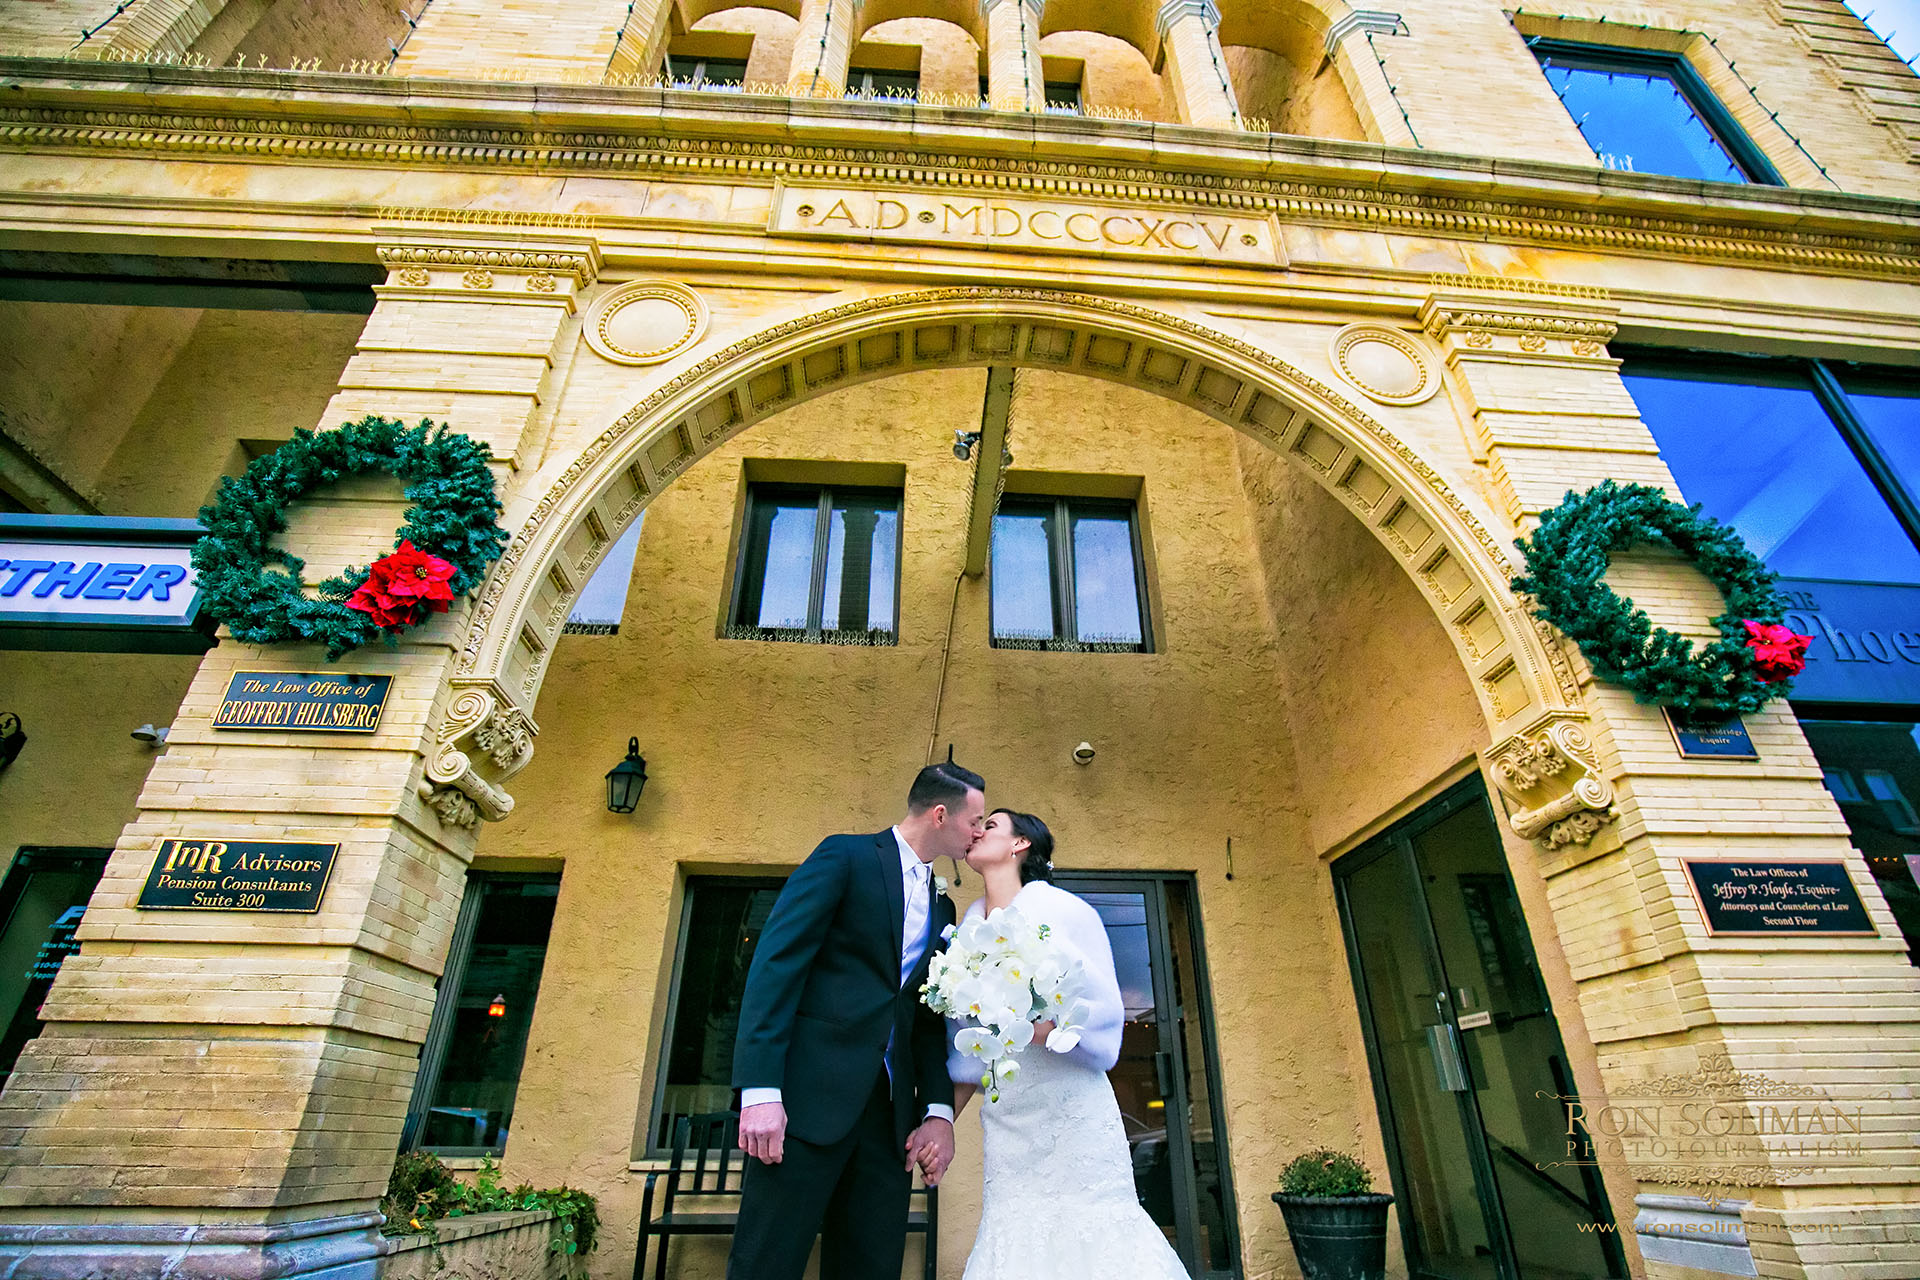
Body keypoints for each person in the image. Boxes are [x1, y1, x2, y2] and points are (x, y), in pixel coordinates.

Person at [727, 762, 987, 1280]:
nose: (978, 831)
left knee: (871, 1266)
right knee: (767, 1262)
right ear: (941, 814)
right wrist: (759, 1090)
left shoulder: (944, 908)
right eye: (975, 820)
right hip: (804, 1104)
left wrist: (936, 1109)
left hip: (887, 1118)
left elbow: (927, 1018)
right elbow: (776, 968)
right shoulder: (844, 857)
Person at [943, 809, 1190, 1280]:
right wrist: (937, 1123)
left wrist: (1033, 1025)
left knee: (1093, 1229)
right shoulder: (966, 937)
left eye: (991, 826)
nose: (978, 831)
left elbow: (1103, 1017)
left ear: (1021, 845)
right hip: (1008, 1120)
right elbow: (965, 1054)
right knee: (1016, 1232)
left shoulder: (1066, 912)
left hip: (1070, 1109)